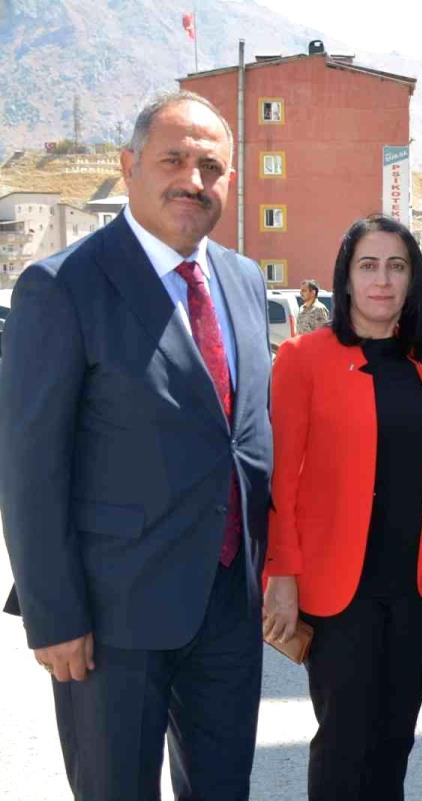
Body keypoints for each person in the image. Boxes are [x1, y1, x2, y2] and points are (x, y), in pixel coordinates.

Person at [0, 91, 273, 800]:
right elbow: (31, 468)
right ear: (129, 166)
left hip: (226, 610)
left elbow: (244, 438)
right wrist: (53, 616)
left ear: (231, 181)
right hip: (111, 621)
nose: (193, 180)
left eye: (212, 166)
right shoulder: (61, 287)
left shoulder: (242, 282)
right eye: (173, 160)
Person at [262, 215, 422, 800]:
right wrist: (282, 574)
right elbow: (282, 478)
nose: (383, 280)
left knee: (395, 738)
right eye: (368, 266)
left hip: (412, 582)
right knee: (344, 740)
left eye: (397, 267)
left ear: (412, 279)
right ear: (346, 279)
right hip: (336, 586)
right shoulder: (303, 357)